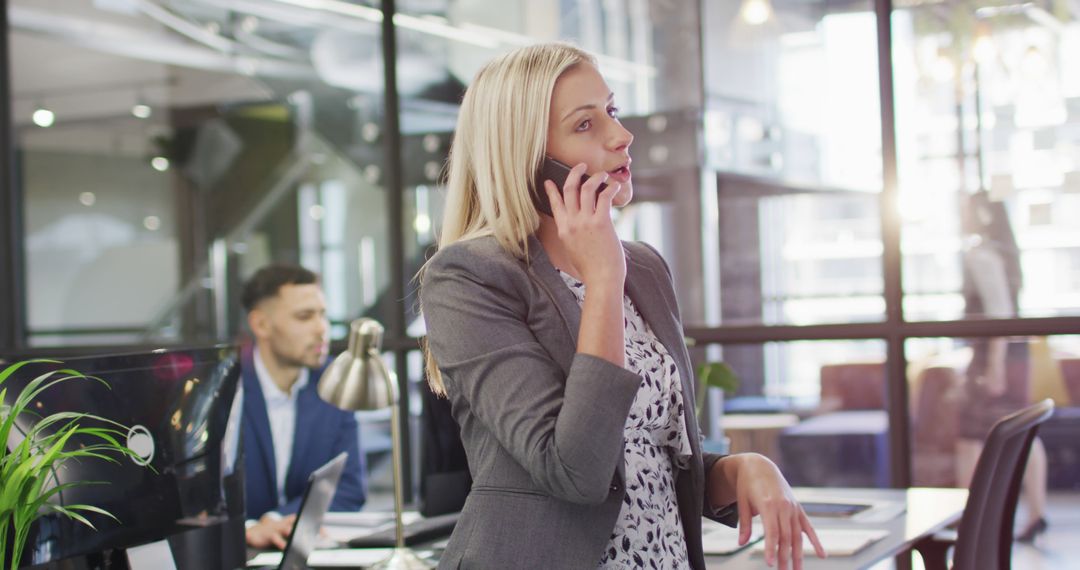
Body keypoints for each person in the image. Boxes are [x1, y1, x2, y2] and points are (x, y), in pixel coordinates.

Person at [419, 43, 825, 570]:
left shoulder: (646, 268)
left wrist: (740, 469)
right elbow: (576, 472)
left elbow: (651, 461)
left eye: (610, 111)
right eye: (585, 125)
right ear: (528, 157)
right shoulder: (470, 278)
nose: (622, 135)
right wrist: (603, 279)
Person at [240, 264, 366, 549]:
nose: (322, 329)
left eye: (322, 315)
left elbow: (348, 489)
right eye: (304, 317)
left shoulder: (333, 381)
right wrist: (248, 529)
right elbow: (199, 500)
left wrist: (276, 521)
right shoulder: (225, 388)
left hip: (305, 550)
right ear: (261, 325)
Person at [956, 190, 1048, 542]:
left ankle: (970, 522)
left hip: (996, 351)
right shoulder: (1007, 254)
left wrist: (992, 365)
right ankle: (1036, 513)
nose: (961, 216)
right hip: (1013, 349)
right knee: (1021, 429)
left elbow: (998, 313)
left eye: (965, 209)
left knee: (968, 439)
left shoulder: (982, 254)